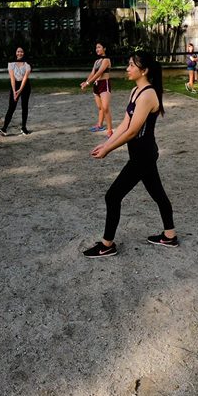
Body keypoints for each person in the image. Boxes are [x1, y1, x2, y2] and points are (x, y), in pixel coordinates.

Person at [83, 50, 177, 258]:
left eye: (131, 66)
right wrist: (106, 142)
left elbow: (133, 131)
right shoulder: (135, 91)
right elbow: (124, 124)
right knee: (158, 194)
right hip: (141, 155)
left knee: (113, 196)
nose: (127, 69)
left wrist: (108, 149)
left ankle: (107, 244)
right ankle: (170, 235)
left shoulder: (148, 95)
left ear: (143, 70)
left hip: (143, 156)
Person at [80, 41, 113, 135]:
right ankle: (99, 125)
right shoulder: (96, 61)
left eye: (99, 47)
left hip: (104, 84)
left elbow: (100, 73)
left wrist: (88, 83)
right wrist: (85, 81)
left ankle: (110, 130)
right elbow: (93, 73)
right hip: (96, 84)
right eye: (96, 48)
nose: (97, 49)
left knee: (105, 107)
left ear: (104, 48)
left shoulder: (106, 60)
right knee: (100, 107)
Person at [0, 46, 32, 136]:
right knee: (11, 107)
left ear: (24, 53)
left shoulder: (27, 64)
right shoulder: (11, 64)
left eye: (21, 51)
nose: (19, 53)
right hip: (14, 85)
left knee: (24, 106)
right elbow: (12, 78)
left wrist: (20, 90)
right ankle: (4, 128)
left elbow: (25, 79)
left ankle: (24, 128)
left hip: (25, 86)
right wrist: (14, 91)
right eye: (18, 51)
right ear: (15, 53)